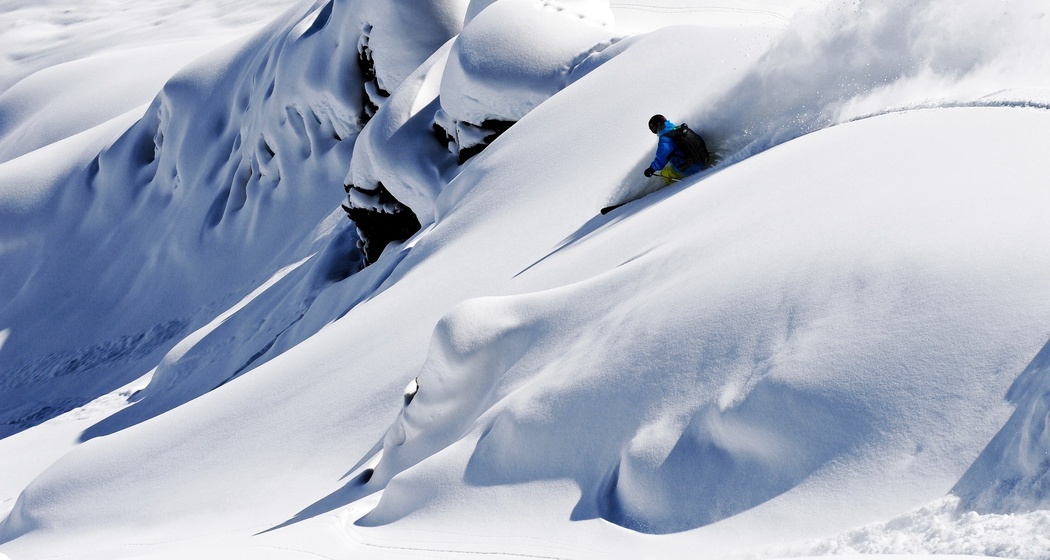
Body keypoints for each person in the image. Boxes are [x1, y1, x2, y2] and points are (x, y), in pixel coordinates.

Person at [643, 114, 704, 184]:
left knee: (665, 173)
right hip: (700, 159)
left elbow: (662, 158)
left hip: (690, 168)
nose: (654, 131)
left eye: (653, 128)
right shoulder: (676, 128)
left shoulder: (666, 139)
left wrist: (651, 169)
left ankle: (676, 189)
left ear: (658, 124)